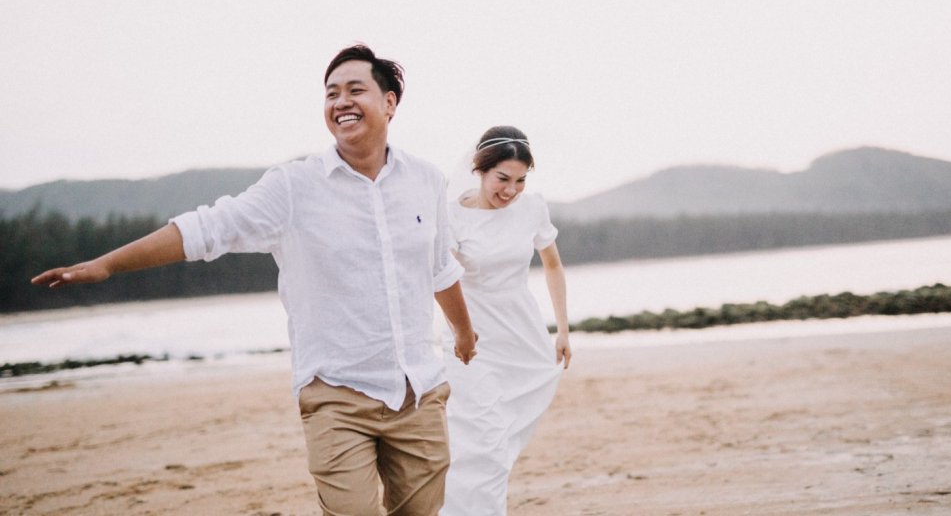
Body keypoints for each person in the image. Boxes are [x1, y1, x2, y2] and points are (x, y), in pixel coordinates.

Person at [31, 44, 478, 516]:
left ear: (389, 103)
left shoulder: (426, 180)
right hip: (336, 396)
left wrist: (464, 334)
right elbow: (208, 228)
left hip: (418, 393)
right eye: (331, 94)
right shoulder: (293, 187)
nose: (340, 102)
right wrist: (107, 264)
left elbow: (438, 270)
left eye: (355, 90)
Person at [440, 125, 571, 515]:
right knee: (481, 441)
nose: (511, 190)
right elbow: (438, 279)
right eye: (502, 179)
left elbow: (553, 265)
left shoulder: (532, 208)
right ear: (479, 170)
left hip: (521, 335)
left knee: (499, 442)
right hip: (470, 342)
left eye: (520, 180)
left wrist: (562, 329)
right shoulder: (451, 217)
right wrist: (462, 333)